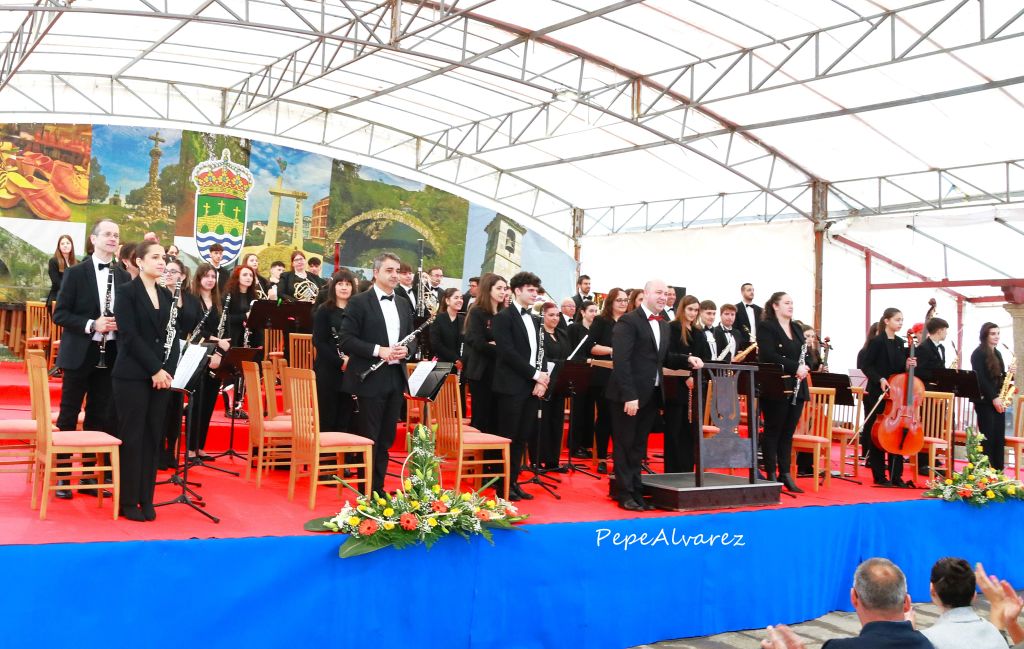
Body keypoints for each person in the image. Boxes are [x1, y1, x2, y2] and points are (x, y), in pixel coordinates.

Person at [52, 219, 130, 499]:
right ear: (93, 239)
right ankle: (61, 477)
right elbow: (59, 314)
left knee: (100, 414)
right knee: (69, 414)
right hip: (79, 354)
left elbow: (127, 314)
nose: (112, 238)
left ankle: (88, 476)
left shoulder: (123, 276)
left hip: (109, 355)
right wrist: (91, 324)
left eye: (116, 234)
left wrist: (121, 322)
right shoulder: (75, 273)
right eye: (107, 234)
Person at [112, 241, 186, 522]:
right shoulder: (126, 292)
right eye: (155, 257)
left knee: (153, 437)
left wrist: (166, 371)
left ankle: (147, 497)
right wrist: (154, 369)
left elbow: (173, 338)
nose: (161, 262)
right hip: (132, 375)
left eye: (163, 258)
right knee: (132, 437)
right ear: (139, 262)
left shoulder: (167, 297)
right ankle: (128, 501)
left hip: (160, 379)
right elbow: (129, 337)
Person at [607, 280, 697, 511]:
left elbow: (664, 358)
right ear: (645, 294)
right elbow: (621, 361)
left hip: (652, 394)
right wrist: (629, 395)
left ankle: (636, 491)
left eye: (666, 294)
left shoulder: (664, 325)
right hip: (629, 395)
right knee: (625, 444)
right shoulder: (629, 321)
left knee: (639, 446)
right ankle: (625, 493)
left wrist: (687, 359)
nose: (662, 297)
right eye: (658, 292)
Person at [339, 252, 414, 496]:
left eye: (397, 270)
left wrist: (408, 350)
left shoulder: (403, 303)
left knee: (386, 438)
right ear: (376, 273)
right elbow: (346, 340)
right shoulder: (359, 302)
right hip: (369, 378)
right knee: (369, 437)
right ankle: (366, 491)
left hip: (395, 377)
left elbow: (413, 339)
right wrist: (377, 350)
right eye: (389, 270)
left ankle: (378, 489)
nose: (395, 275)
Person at [491, 271, 550, 501]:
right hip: (511, 386)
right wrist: (535, 375)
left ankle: (513, 482)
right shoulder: (503, 318)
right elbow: (507, 353)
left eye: (536, 290)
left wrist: (543, 379)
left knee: (522, 436)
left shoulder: (536, 319)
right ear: (517, 291)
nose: (535, 294)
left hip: (531, 386)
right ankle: (502, 487)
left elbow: (540, 352)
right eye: (531, 290)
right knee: (508, 436)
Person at [757, 291, 810, 493]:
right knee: (773, 430)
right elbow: (768, 354)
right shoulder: (766, 327)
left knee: (788, 432)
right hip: (776, 385)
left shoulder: (797, 328)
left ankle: (785, 474)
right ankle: (771, 473)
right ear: (775, 306)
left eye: (792, 303)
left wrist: (806, 365)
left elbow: (807, 356)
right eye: (787, 303)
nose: (791, 306)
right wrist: (794, 367)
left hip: (797, 387)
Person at [180, 262, 230, 463]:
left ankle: (200, 447)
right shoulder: (192, 300)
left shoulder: (220, 302)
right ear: (199, 278)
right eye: (206, 276)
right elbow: (195, 329)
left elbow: (226, 331)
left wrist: (219, 351)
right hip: (197, 354)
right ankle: (190, 449)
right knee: (196, 403)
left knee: (209, 402)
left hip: (217, 357)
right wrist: (217, 341)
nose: (210, 279)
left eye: (213, 276)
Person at [861, 308, 917, 486]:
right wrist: (880, 379)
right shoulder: (877, 342)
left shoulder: (901, 343)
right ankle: (879, 475)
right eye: (897, 320)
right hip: (879, 392)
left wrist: (909, 365)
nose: (900, 323)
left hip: (896, 395)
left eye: (902, 320)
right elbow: (866, 365)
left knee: (896, 431)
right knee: (878, 432)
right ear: (886, 321)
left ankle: (896, 475)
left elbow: (901, 371)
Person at [664, 295, 710, 474]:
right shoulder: (673, 328)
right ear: (682, 309)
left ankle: (687, 469)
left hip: (694, 386)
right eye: (690, 309)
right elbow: (669, 356)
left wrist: (694, 376)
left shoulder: (699, 332)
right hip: (675, 385)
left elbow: (704, 358)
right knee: (674, 429)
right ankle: (672, 471)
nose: (692, 313)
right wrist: (686, 376)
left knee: (689, 430)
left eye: (696, 310)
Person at [921, 557, 1006, 649]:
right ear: (974, 595)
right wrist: (997, 605)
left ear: (932, 592)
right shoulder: (997, 636)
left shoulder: (926, 640)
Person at [312, 270, 357, 434]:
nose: (344, 287)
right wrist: (340, 362)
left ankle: (343, 457)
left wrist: (351, 360)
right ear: (333, 286)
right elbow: (319, 342)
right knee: (327, 418)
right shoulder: (324, 310)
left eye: (348, 284)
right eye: (340, 284)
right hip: (328, 370)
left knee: (346, 417)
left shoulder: (357, 310)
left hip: (351, 371)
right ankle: (325, 458)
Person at [589, 287, 627, 473]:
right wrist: (613, 351)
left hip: (625, 376)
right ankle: (602, 458)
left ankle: (620, 457)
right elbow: (591, 347)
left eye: (625, 300)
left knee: (621, 419)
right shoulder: (600, 321)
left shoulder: (630, 322)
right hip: (603, 376)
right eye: (619, 300)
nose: (623, 303)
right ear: (610, 301)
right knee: (604, 417)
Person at [463, 273, 506, 435]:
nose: (503, 292)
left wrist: (498, 345)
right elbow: (477, 342)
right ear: (489, 289)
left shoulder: (504, 313)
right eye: (499, 288)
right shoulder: (477, 312)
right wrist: (501, 348)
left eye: (504, 289)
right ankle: (479, 455)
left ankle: (493, 456)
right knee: (481, 417)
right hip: (481, 372)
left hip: (500, 372)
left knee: (497, 417)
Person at [971, 322, 1014, 469]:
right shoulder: (978, 353)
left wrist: (1009, 373)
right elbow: (980, 378)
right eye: (993, 334)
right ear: (985, 335)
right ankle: (985, 471)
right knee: (988, 436)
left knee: (998, 437)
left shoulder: (997, 353)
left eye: (998, 333)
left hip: (997, 399)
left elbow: (999, 377)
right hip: (985, 401)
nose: (996, 336)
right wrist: (994, 397)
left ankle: (998, 471)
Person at [533, 301, 569, 470]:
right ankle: (538, 458)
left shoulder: (562, 334)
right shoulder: (539, 334)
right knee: (543, 421)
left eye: (557, 315)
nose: (555, 318)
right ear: (543, 316)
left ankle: (553, 460)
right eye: (551, 315)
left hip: (560, 383)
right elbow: (541, 358)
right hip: (545, 382)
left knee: (557, 421)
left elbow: (567, 356)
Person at [567, 300, 599, 459]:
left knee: (588, 411)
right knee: (578, 411)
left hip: (593, 374)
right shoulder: (574, 328)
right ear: (583, 312)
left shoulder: (596, 330)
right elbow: (570, 350)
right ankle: (574, 446)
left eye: (596, 311)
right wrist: (583, 360)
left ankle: (586, 445)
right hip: (578, 372)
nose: (594, 314)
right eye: (591, 311)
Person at [429, 287, 464, 365]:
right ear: (447, 301)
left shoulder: (463, 319)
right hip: (442, 364)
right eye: (456, 298)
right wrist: (455, 359)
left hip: (460, 364)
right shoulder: (437, 319)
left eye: (461, 298)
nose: (460, 300)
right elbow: (436, 344)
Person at [47, 234, 76, 311]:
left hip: (73, 301)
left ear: (72, 245)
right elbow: (57, 282)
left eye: (68, 243)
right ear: (59, 247)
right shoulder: (53, 261)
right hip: (57, 300)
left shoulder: (77, 263)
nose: (65, 245)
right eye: (62, 244)